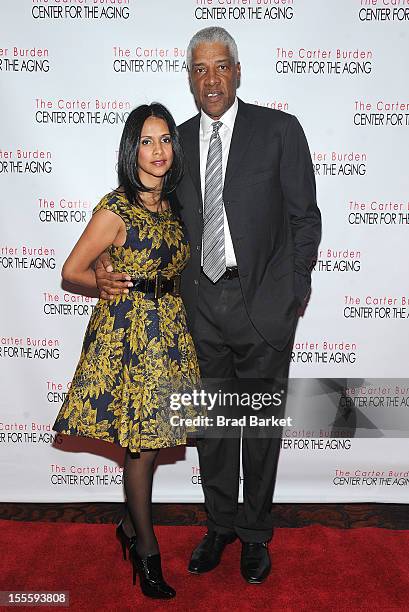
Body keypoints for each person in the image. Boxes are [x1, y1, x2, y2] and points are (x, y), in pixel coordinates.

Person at [95, 27, 321, 584]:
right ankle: (219, 525)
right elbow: (140, 203)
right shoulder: (178, 142)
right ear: (191, 80)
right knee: (215, 427)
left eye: (221, 66)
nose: (212, 78)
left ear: (237, 71)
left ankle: (255, 533)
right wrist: (103, 259)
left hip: (264, 303)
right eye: (200, 69)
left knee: (260, 427)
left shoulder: (279, 130)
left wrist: (292, 291)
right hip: (197, 308)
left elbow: (304, 218)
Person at [53, 103, 202, 599]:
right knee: (139, 446)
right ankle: (147, 547)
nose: (157, 151)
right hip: (129, 336)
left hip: (170, 333)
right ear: (131, 149)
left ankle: (128, 524)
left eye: (164, 140)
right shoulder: (115, 209)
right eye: (146, 141)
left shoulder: (174, 205)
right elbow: (70, 270)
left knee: (155, 441)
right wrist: (102, 281)